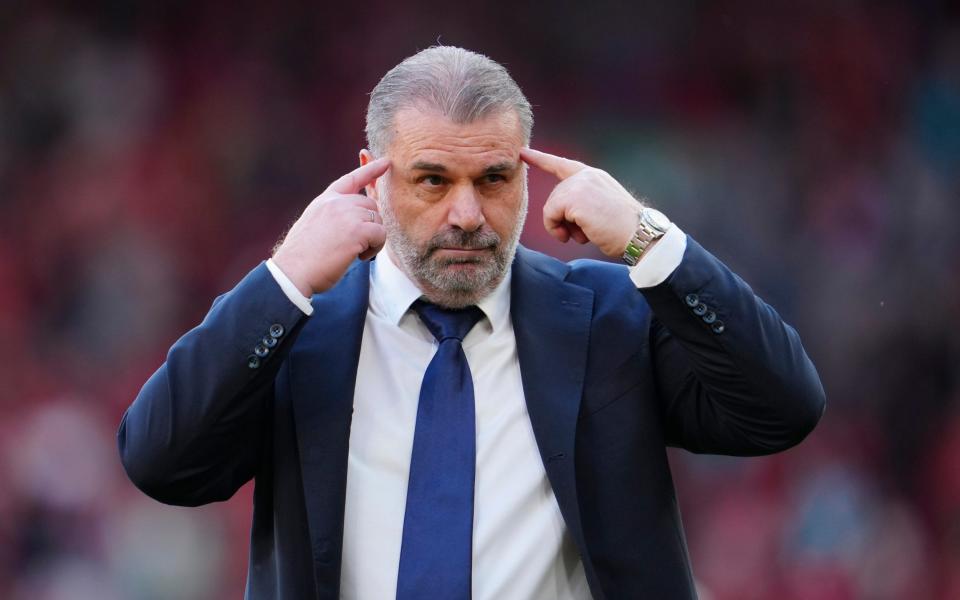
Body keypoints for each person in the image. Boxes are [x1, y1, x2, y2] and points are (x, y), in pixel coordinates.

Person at [118, 46, 825, 600]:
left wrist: (647, 239)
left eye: (493, 179)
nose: (466, 214)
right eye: (432, 180)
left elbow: (782, 408)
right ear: (372, 176)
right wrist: (285, 276)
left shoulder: (610, 316)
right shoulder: (299, 326)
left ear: (525, 180)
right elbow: (161, 461)